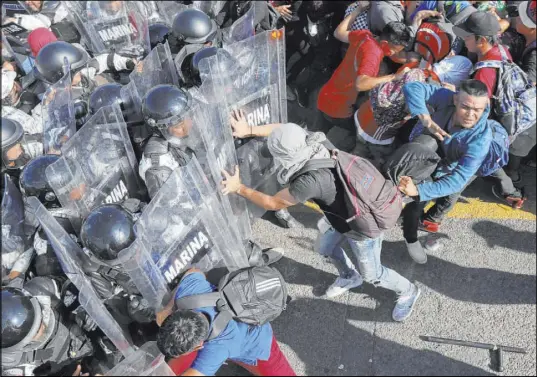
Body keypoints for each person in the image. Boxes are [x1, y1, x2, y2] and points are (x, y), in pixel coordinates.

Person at [221, 116, 421, 322]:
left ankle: (409, 291)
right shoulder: (316, 142)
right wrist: (249, 129)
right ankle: (349, 276)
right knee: (324, 249)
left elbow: (272, 203)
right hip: (343, 215)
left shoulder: (308, 181)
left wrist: (238, 187)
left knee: (373, 275)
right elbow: (284, 130)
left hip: (362, 228)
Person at [398, 80, 498, 257]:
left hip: (457, 168)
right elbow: (411, 87)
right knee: (419, 199)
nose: (471, 115)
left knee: (448, 198)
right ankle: (412, 219)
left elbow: (457, 179)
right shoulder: (445, 98)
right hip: (440, 156)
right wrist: (425, 118)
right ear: (455, 99)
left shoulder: (480, 140)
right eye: (465, 107)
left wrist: (418, 190)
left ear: (485, 107)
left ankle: (430, 225)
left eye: (478, 110)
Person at [155, 267, 296, 376]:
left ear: (199, 346)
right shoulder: (188, 292)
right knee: (174, 367)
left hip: (256, 342)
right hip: (231, 334)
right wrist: (168, 308)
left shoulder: (218, 348)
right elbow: (193, 271)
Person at [453, 10, 527, 207]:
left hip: (491, 125)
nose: (463, 39)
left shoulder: (485, 71)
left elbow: (476, 110)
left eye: (467, 36)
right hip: (507, 119)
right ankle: (510, 191)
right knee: (486, 157)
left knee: (470, 160)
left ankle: (435, 213)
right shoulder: (501, 50)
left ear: (481, 40)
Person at [317, 18, 412, 132]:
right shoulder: (373, 55)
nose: (395, 53)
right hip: (338, 109)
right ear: (384, 43)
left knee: (321, 130)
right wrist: (394, 77)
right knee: (360, 131)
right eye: (394, 50)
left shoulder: (365, 35)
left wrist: (358, 9)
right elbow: (361, 84)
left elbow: (338, 33)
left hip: (327, 94)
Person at [503, 0, 536, 183]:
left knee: (524, 137)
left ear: (532, 29)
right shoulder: (527, 40)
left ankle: (512, 173)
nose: (516, 19)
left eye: (521, 18)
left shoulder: (535, 55)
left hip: (532, 108)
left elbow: (528, 86)